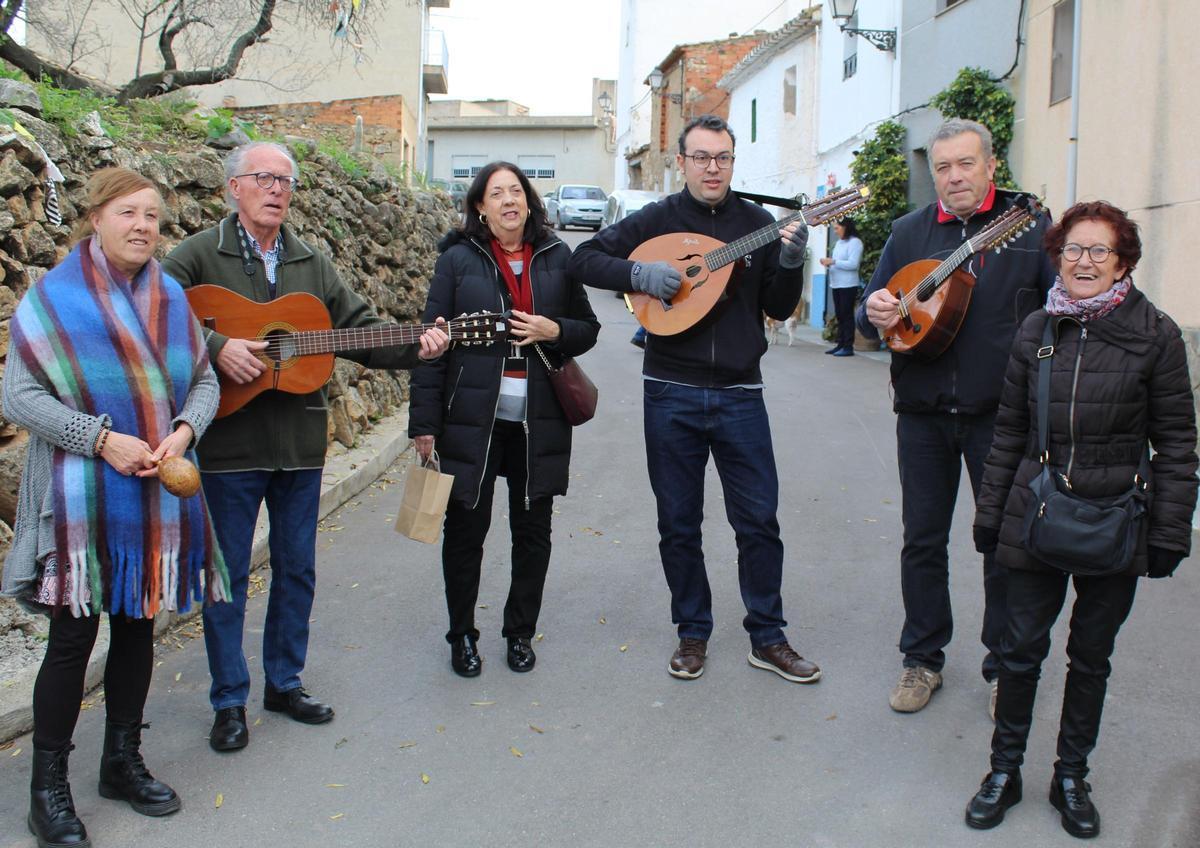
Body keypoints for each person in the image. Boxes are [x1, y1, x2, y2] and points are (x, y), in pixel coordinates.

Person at [162, 142, 449, 752]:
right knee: (228, 576)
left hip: (298, 443)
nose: (277, 189)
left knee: (298, 570)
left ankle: (283, 683)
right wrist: (216, 348)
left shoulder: (310, 263)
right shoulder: (196, 254)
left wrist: (416, 346)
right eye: (264, 177)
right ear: (233, 187)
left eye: (286, 181)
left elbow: (361, 329)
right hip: (227, 447)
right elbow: (153, 311)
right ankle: (228, 700)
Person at [2, 168, 225, 847]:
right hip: (78, 500)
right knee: (72, 640)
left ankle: (120, 762)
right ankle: (49, 790)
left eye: (153, 216)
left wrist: (184, 430)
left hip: (153, 492)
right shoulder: (54, 298)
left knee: (137, 627)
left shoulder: (171, 299)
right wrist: (101, 439)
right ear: (95, 217)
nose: (143, 226)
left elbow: (205, 380)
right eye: (128, 212)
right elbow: (19, 398)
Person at [964, 201, 1197, 838]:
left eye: (1098, 251)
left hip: (1117, 520)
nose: (1083, 262)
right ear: (1056, 257)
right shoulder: (1037, 329)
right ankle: (1004, 772)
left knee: (1091, 658)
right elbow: (1008, 431)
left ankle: (1072, 776)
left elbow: (1177, 442)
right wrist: (991, 516)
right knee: (1019, 653)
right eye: (1072, 250)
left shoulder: (1157, 335)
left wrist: (1171, 530)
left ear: (1124, 262)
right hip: (1035, 513)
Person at [568, 114, 819, 684]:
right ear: (681, 162)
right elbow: (583, 260)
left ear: (733, 162)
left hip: (740, 393)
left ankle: (768, 635)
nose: (713, 167)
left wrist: (791, 261)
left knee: (759, 520)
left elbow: (777, 309)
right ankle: (692, 632)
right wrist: (638, 274)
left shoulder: (757, 224)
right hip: (670, 391)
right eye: (702, 157)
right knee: (678, 522)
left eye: (723, 157)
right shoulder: (657, 219)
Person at [857, 118, 1055, 715]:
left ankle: (1003, 669)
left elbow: (1061, 313)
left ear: (991, 166)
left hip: (1000, 417)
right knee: (922, 540)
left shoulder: (1026, 228)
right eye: (942, 167)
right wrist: (878, 309)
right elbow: (874, 314)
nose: (954, 177)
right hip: (921, 414)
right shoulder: (908, 232)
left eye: (965, 164)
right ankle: (922, 659)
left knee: (1001, 544)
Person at [409, 162, 599, 676]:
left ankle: (519, 633)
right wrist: (424, 424)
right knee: (466, 529)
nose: (509, 200)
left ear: (529, 201)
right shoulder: (456, 261)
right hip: (473, 420)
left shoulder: (557, 256)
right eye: (497, 194)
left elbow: (589, 327)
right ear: (480, 207)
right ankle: (461, 636)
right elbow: (432, 346)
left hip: (540, 421)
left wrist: (552, 328)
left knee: (532, 531)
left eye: (517, 190)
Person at [819, 217, 863, 356]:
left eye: (837, 228)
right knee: (840, 315)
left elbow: (853, 264)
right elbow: (837, 262)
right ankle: (840, 344)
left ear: (846, 227)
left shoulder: (855, 243)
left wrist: (832, 261)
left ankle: (848, 346)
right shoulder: (839, 243)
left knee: (846, 315)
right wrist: (829, 263)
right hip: (836, 284)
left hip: (848, 285)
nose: (836, 231)